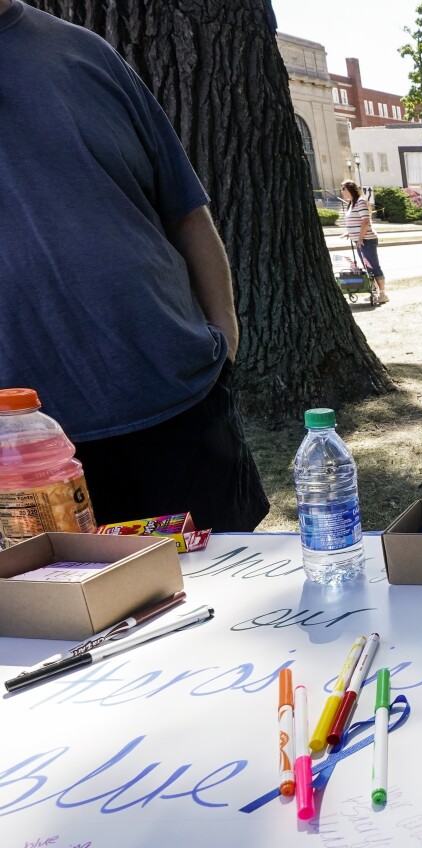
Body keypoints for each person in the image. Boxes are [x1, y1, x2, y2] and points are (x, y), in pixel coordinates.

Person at [0, 0, 268, 532]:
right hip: (24, 446)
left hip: (174, 399)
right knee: (66, 611)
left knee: (229, 591)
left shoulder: (83, 53)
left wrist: (225, 338)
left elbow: (187, 211)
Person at [341, 180, 387, 303]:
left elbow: (365, 221)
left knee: (373, 267)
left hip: (366, 240)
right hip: (360, 240)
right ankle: (375, 293)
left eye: (343, 189)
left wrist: (360, 237)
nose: (342, 192)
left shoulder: (360, 201)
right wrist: (350, 233)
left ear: (350, 190)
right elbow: (356, 221)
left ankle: (383, 294)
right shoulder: (351, 203)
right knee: (367, 268)